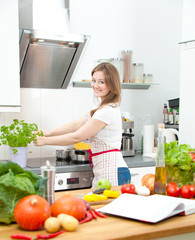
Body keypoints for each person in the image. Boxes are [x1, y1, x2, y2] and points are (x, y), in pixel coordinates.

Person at [34, 62, 131, 187]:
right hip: (104, 171)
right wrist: (48, 133)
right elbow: (77, 124)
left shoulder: (107, 111)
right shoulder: (99, 108)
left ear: (112, 84)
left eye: (101, 82)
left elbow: (77, 137)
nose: (96, 85)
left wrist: (45, 141)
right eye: (94, 80)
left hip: (113, 172)